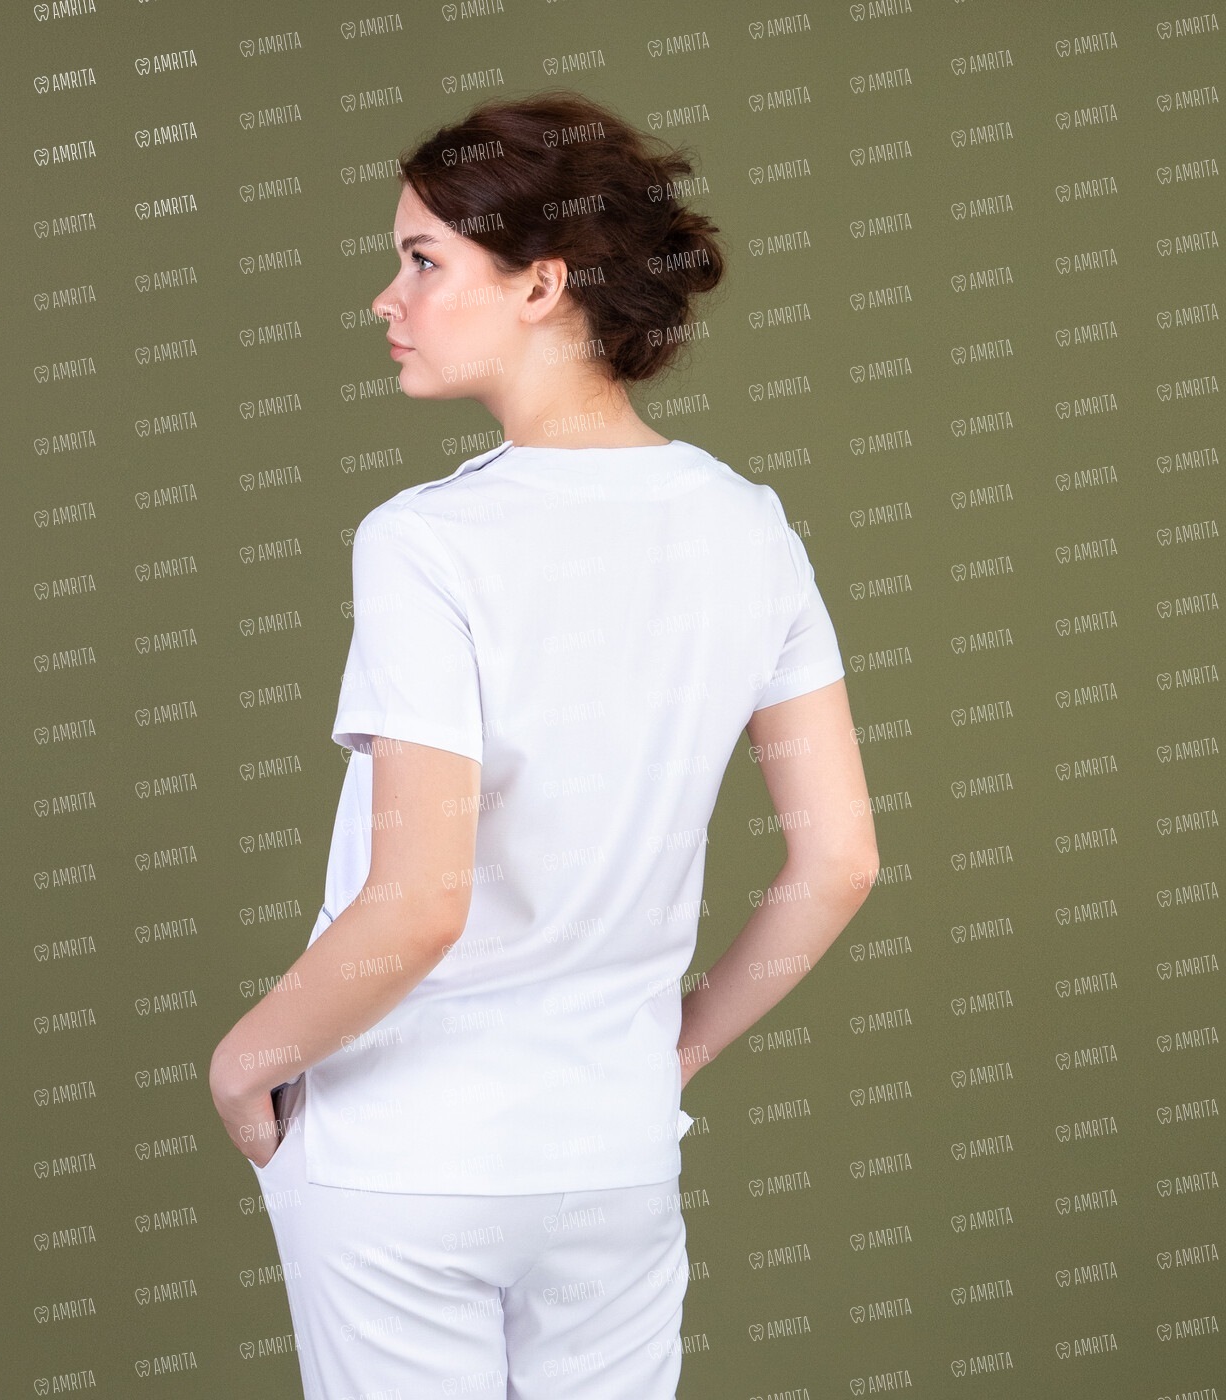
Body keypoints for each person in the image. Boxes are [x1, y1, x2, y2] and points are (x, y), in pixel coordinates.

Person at [209, 90, 880, 1399]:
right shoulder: (750, 528)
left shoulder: (427, 541)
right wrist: (670, 1057)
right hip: (612, 1163)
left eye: (422, 259)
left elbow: (420, 904)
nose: (387, 299)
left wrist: (245, 1066)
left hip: (405, 1162)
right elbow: (839, 863)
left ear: (542, 283)